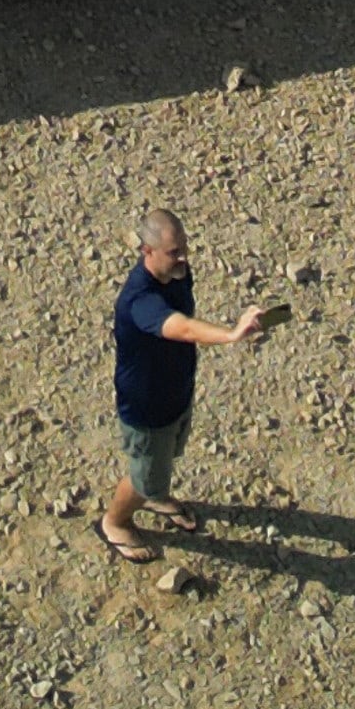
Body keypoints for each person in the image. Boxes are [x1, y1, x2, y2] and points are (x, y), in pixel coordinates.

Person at [100, 209, 271, 562]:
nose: (184, 258)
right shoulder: (140, 302)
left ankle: (156, 493)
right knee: (144, 474)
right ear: (147, 251)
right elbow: (184, 328)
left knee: (166, 457)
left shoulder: (177, 273)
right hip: (148, 412)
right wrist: (230, 334)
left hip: (176, 394)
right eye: (174, 252)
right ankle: (115, 522)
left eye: (184, 248)